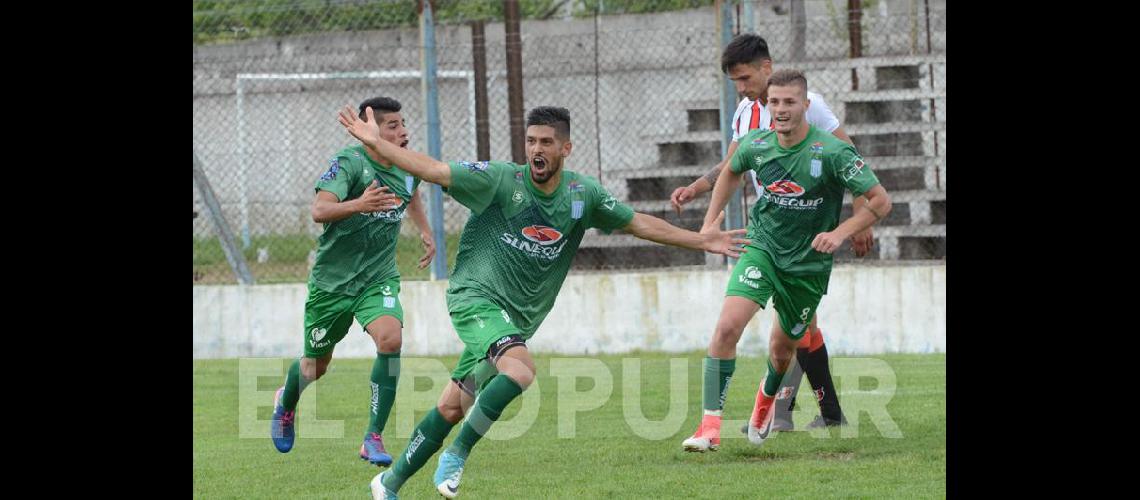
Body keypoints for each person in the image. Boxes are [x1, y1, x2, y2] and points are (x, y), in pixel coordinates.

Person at [338, 105, 748, 499]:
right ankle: (457, 454)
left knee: (451, 406)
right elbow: (432, 169)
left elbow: (638, 223)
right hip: (475, 299)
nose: (536, 149)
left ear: (565, 149)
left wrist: (700, 239)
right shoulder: (500, 180)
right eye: (531, 141)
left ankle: (388, 484)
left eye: (547, 142)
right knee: (519, 370)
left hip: (514, 320)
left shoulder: (581, 194)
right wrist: (378, 145)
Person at [681, 70, 891, 453]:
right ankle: (709, 428)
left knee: (782, 350)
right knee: (727, 327)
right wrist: (710, 224)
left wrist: (841, 232)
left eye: (789, 102)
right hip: (762, 247)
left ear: (806, 106)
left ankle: (765, 404)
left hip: (807, 266)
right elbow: (731, 171)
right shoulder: (756, 144)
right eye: (774, 102)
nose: (780, 109)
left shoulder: (831, 151)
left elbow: (881, 200)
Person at [269, 97, 437, 468]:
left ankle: (373, 436)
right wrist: (359, 204)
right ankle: (286, 403)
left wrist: (425, 230)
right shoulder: (350, 163)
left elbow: (412, 192)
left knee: (391, 338)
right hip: (333, 284)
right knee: (315, 366)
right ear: (369, 128)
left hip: (378, 278)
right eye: (392, 125)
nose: (403, 131)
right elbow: (319, 210)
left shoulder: (407, 165)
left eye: (403, 123)